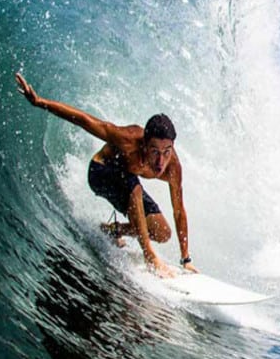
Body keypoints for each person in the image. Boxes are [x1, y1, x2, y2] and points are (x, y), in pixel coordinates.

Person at [15, 73, 196, 278]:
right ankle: (150, 257)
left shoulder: (173, 168)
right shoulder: (127, 140)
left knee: (163, 233)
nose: (160, 161)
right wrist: (39, 102)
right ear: (144, 144)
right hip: (101, 172)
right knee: (134, 187)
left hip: (126, 183)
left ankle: (113, 230)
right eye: (155, 151)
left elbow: (179, 211)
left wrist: (186, 259)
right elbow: (84, 120)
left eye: (167, 151)